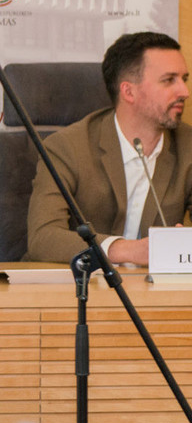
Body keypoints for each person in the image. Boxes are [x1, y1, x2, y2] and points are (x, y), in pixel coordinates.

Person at [27, 31, 192, 265]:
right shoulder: (66, 147)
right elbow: (42, 238)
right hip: (81, 283)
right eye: (168, 80)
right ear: (129, 92)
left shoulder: (187, 145)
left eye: (184, 79)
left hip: (154, 286)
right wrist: (126, 250)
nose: (184, 92)